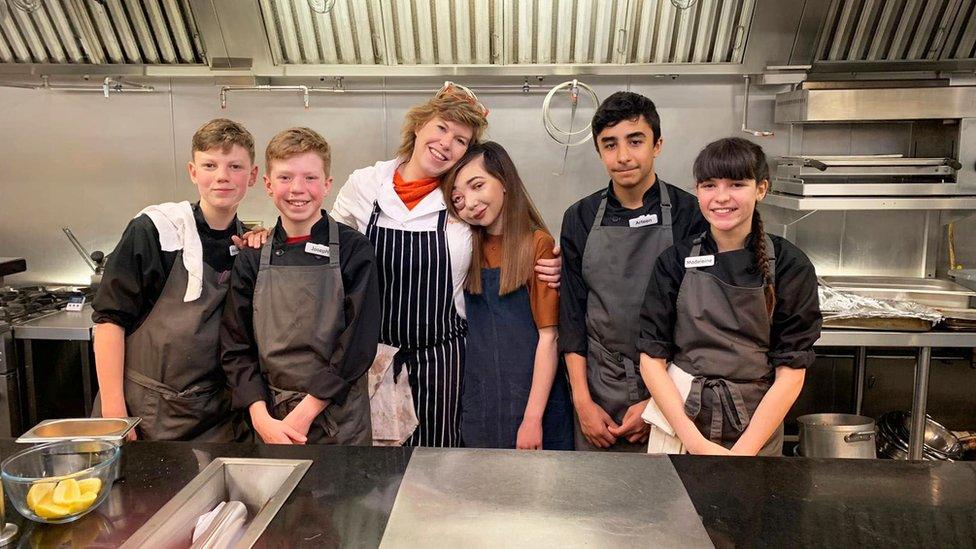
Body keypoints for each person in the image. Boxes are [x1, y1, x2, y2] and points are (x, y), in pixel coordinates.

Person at [331, 85, 561, 447]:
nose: (445, 144)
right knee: (377, 460)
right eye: (441, 128)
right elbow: (327, 248)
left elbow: (508, 238)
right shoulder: (365, 184)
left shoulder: (459, 202)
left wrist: (549, 258)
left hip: (444, 357)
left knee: (440, 462)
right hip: (376, 355)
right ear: (419, 125)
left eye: (460, 140)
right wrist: (274, 234)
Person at [637, 137, 822, 456]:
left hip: (756, 429)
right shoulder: (675, 261)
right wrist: (695, 442)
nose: (721, 197)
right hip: (682, 426)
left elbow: (791, 372)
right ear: (697, 191)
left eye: (736, 184)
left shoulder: (791, 265)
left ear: (761, 188)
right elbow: (651, 359)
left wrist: (743, 453)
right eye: (709, 185)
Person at [91, 118, 260, 442]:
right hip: (144, 415)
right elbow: (109, 320)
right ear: (193, 171)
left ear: (252, 176)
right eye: (210, 165)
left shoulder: (247, 245)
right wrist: (115, 413)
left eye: (235, 166)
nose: (222, 176)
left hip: (214, 420)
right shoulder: (156, 231)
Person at [559, 91, 710, 452]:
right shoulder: (579, 217)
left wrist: (660, 404)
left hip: (671, 387)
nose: (623, 156)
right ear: (599, 151)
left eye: (635, 141)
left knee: (664, 499)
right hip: (599, 388)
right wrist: (582, 403)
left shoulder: (691, 214)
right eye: (610, 145)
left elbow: (698, 321)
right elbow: (571, 314)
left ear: (657, 145)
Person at [220, 127, 381, 445]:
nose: (298, 189)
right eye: (285, 177)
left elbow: (358, 345)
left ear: (327, 185)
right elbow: (236, 348)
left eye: (310, 178)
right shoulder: (252, 257)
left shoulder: (353, 249)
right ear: (267, 184)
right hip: (270, 421)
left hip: (340, 419)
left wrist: (304, 414)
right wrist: (262, 418)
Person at [442, 141, 574, 450]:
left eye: (477, 186)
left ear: (504, 182)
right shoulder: (465, 249)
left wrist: (532, 419)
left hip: (534, 403)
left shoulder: (537, 244)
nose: (470, 203)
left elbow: (549, 339)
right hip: (481, 403)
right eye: (458, 199)